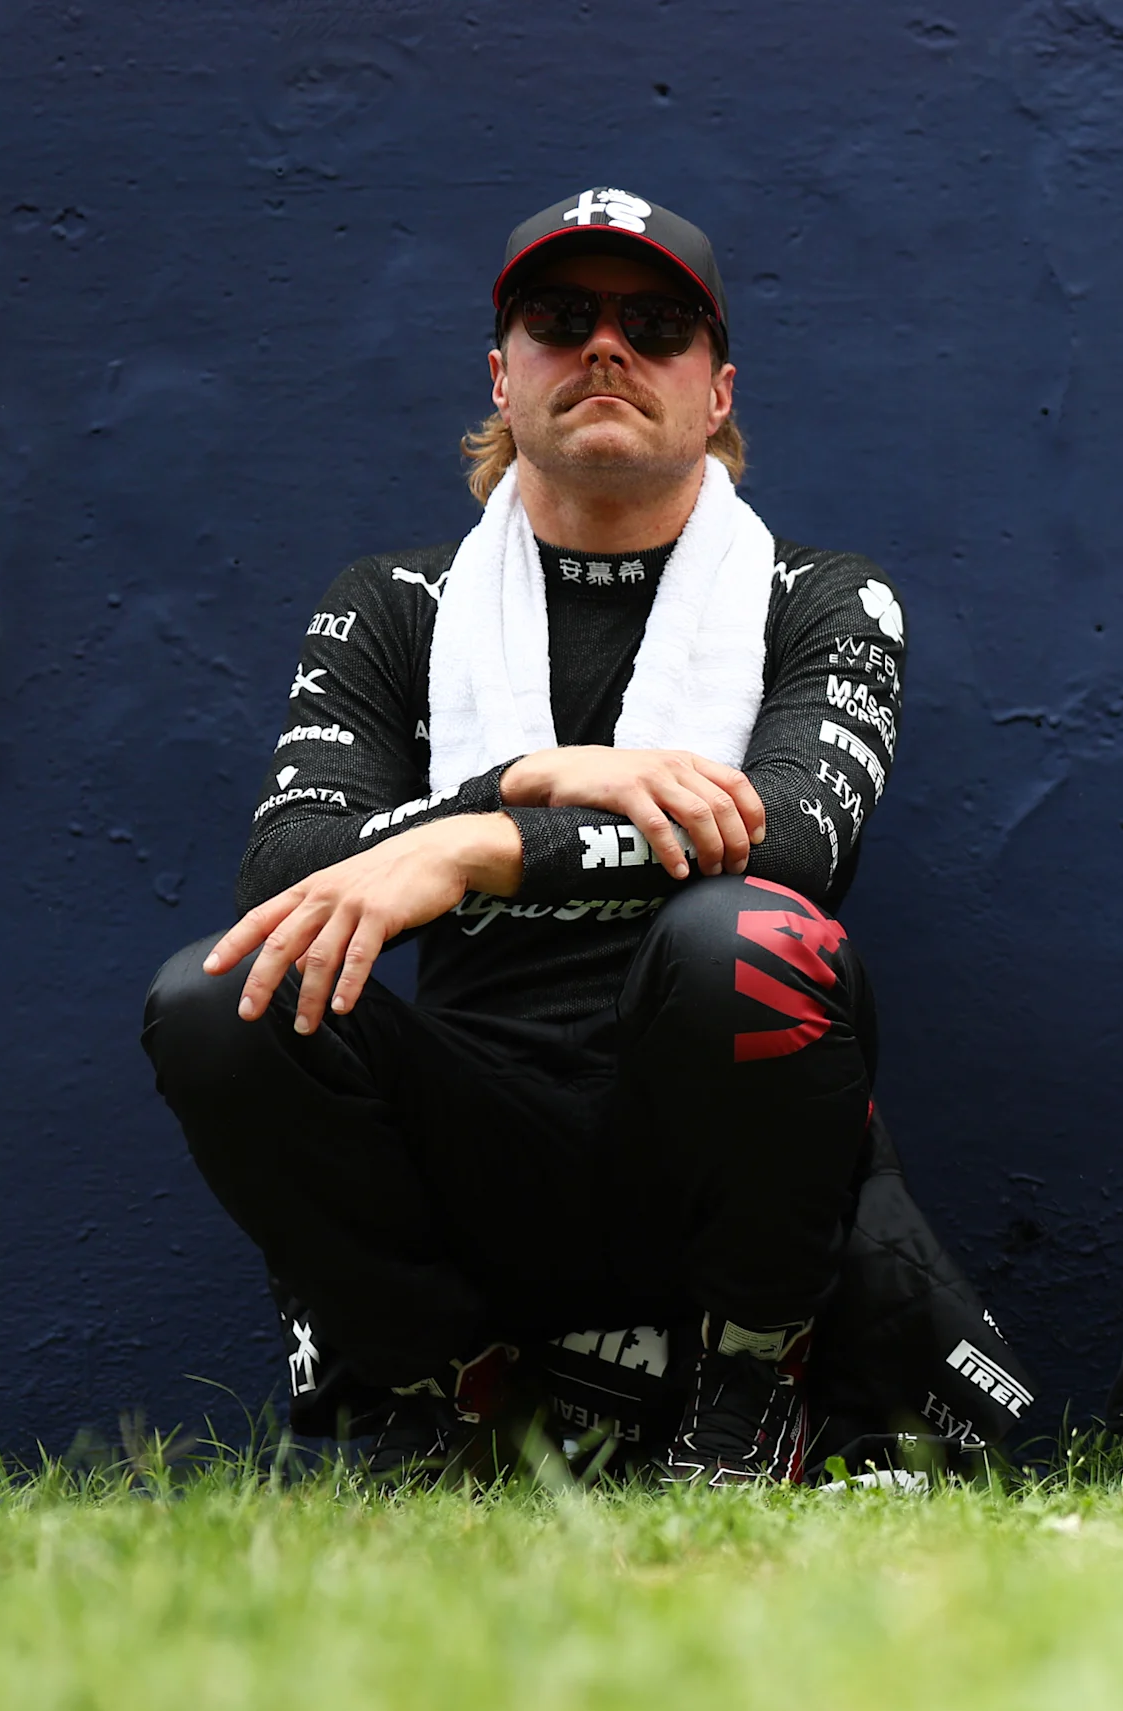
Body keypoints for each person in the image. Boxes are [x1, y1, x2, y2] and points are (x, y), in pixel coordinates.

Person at [141, 188, 1035, 1486]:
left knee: (755, 938)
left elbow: (796, 846)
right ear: (502, 377)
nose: (607, 348)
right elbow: (286, 872)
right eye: (562, 319)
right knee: (216, 995)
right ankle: (449, 1394)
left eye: (655, 323)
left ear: (716, 389)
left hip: (724, 1159)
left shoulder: (825, 599)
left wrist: (493, 847)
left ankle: (749, 1390)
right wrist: (517, 780)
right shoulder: (396, 607)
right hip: (477, 1142)